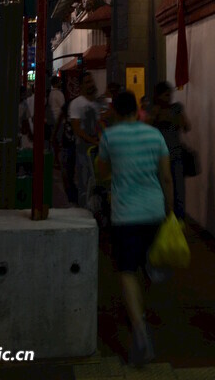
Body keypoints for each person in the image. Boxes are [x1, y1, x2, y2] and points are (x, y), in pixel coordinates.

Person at [96, 90, 173, 366]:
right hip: (153, 210)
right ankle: (145, 296)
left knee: (126, 271)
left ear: (116, 110)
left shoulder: (110, 137)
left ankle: (139, 330)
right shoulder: (154, 135)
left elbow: (101, 173)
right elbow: (165, 175)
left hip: (125, 215)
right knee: (147, 266)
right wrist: (170, 210)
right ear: (136, 110)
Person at [150, 80, 190, 219]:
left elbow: (186, 126)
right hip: (158, 157)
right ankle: (162, 218)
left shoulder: (176, 108)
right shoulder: (154, 109)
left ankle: (179, 220)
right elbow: (146, 126)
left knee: (179, 190)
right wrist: (156, 116)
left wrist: (172, 119)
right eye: (166, 95)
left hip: (175, 154)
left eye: (169, 95)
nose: (169, 98)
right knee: (160, 189)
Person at [69, 73, 101, 209]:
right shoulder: (76, 103)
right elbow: (77, 128)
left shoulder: (95, 103)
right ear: (81, 86)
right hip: (83, 148)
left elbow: (99, 123)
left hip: (96, 148)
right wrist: (92, 141)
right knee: (84, 179)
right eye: (87, 82)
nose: (91, 84)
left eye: (92, 81)